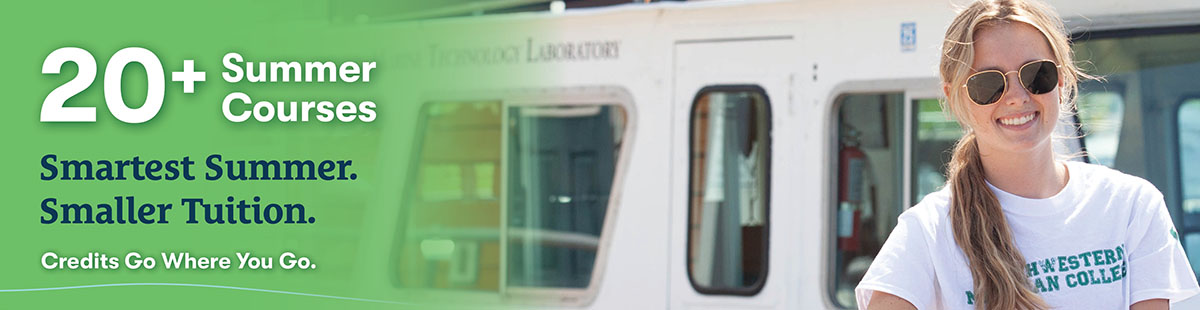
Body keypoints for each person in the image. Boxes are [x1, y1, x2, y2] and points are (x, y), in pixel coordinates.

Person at [853, 0, 1200, 309]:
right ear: (956, 98)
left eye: (1036, 74)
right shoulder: (927, 231)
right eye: (988, 83)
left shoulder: (1132, 206)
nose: (1017, 96)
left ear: (1060, 80)